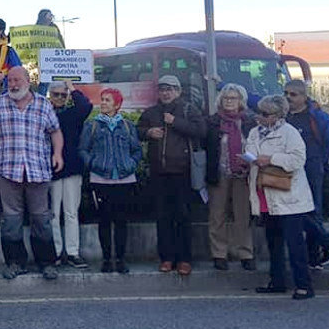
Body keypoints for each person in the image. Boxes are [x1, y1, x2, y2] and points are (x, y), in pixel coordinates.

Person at [0, 67, 63, 280]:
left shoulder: (43, 104)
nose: (14, 84)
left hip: (38, 171)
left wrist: (57, 154)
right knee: (10, 221)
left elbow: (55, 131)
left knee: (41, 220)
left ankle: (46, 263)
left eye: (18, 80)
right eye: (10, 81)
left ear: (29, 80)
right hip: (8, 172)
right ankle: (14, 263)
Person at [138, 75, 206, 276]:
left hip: (183, 173)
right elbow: (137, 130)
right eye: (162, 89)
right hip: (159, 173)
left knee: (183, 217)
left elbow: (201, 130)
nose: (166, 93)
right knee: (162, 217)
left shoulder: (188, 109)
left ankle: (184, 259)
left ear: (178, 91)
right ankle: (166, 258)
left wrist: (175, 122)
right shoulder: (151, 112)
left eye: (170, 89)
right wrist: (148, 132)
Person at [248, 94, 315, 300]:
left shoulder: (289, 132)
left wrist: (271, 159)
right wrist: (251, 158)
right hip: (265, 193)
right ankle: (277, 281)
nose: (260, 117)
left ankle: (304, 285)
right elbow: (250, 150)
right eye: (259, 112)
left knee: (295, 244)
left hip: (288, 196)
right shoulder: (254, 132)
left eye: (265, 114)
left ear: (278, 115)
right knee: (273, 242)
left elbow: (297, 159)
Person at [78, 88, 142, 274]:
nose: (103, 103)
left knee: (121, 221)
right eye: (102, 99)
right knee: (104, 221)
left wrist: (131, 164)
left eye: (107, 100)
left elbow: (137, 150)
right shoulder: (92, 125)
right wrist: (93, 164)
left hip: (125, 179)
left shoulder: (127, 125)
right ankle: (107, 259)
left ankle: (121, 259)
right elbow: (83, 149)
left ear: (117, 104)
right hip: (101, 180)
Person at [283, 79, 329, 269]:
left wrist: (325, 165)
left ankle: (316, 256)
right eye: (286, 93)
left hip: (312, 167)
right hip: (289, 168)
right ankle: (318, 251)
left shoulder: (317, 117)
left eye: (293, 94)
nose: (289, 98)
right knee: (294, 210)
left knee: (313, 210)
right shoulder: (283, 116)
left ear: (304, 96)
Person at [206, 83, 257, 271]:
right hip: (218, 173)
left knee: (243, 215)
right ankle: (219, 254)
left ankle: (245, 253)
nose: (229, 101)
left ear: (241, 101)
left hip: (243, 174)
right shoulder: (212, 121)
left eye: (233, 98)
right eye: (226, 98)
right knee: (217, 215)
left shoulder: (250, 122)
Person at [47, 81, 92, 268]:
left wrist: (71, 87)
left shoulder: (73, 113)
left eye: (63, 95)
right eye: (56, 94)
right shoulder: (44, 113)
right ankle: (56, 252)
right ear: (50, 95)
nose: (59, 98)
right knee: (53, 214)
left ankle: (73, 252)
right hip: (50, 168)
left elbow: (85, 106)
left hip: (72, 167)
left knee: (71, 212)